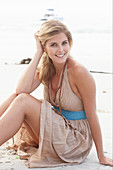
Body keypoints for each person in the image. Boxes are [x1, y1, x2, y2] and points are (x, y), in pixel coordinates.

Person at [0, 20, 112, 168]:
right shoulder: (47, 66)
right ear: (44, 47)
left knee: (23, 101)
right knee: (18, 97)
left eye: (64, 43)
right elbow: (21, 90)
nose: (61, 50)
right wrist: (38, 53)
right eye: (53, 45)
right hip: (55, 131)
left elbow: (92, 115)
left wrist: (101, 156)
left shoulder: (78, 72)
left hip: (74, 140)